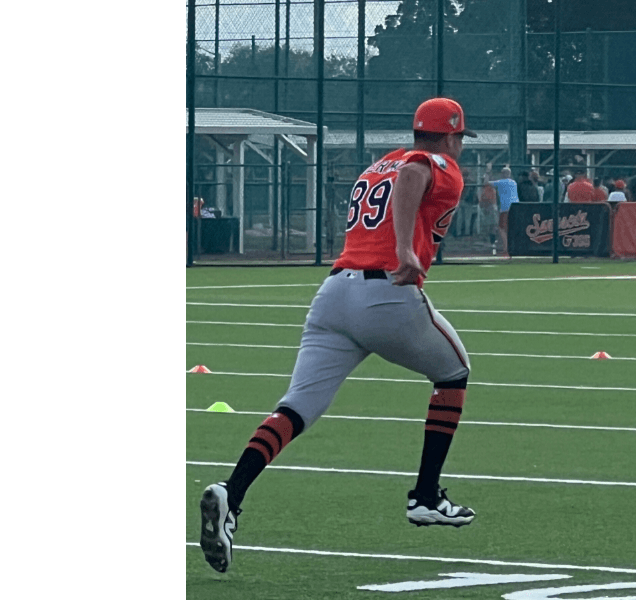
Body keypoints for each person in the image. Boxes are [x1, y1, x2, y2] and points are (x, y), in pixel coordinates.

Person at [198, 97, 478, 574]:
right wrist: (407, 250)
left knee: (296, 406)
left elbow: (404, 173)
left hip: (334, 293)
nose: (459, 146)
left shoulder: (379, 164)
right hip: (386, 292)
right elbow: (416, 175)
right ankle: (426, 496)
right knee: (454, 373)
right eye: (459, 138)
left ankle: (232, 492)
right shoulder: (436, 163)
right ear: (450, 134)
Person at [484, 165, 520, 256]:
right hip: (515, 207)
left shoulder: (501, 182)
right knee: (511, 228)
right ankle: (513, 247)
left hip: (505, 207)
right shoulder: (514, 182)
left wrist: (488, 171)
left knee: (502, 228)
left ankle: (506, 248)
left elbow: (486, 182)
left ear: (503, 174)